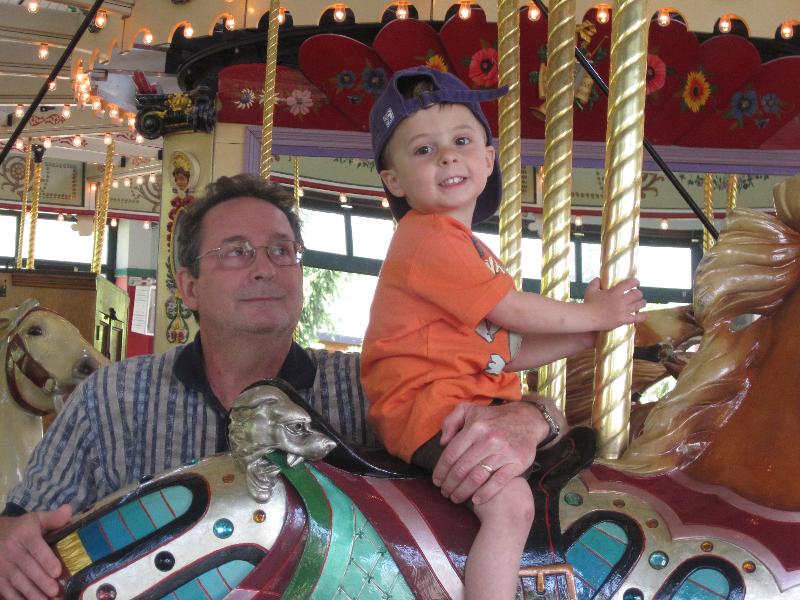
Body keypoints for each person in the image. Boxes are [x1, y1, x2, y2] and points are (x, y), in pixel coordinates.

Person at [0, 173, 558, 600]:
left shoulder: (371, 384)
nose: (265, 267)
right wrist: (9, 542)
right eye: (236, 252)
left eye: (281, 251)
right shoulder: (110, 398)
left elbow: (508, 400)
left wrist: (530, 419)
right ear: (189, 287)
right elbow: (24, 524)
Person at [361, 66, 646, 600]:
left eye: (461, 142)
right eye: (423, 150)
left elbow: (507, 352)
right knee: (512, 505)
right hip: (425, 406)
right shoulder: (426, 238)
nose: (447, 157)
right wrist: (596, 315)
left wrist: (585, 339)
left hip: (462, 398)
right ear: (394, 181)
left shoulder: (470, 250)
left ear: (489, 160)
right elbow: (513, 311)